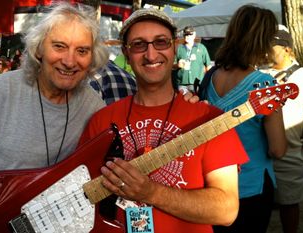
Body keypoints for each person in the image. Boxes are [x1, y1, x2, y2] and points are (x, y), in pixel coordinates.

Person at [78, 8, 249, 233]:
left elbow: (226, 211)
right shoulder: (101, 122)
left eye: (161, 42)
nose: (151, 54)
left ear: (175, 47)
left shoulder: (209, 119)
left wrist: (150, 192)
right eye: (139, 45)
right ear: (126, 54)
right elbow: (80, 198)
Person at [0, 2, 109, 232]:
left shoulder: (95, 109)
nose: (69, 61)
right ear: (39, 49)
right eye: (59, 46)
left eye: (82, 51)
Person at [198, 5, 287, 233]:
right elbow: (277, 149)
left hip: (212, 187)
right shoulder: (264, 85)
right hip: (251, 187)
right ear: (263, 40)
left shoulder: (210, 76)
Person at [267, 26, 303, 233]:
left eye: (271, 46)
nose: (266, 50)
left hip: (291, 153)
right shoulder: (259, 74)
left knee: (289, 204)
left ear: (288, 49)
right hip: (260, 154)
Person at [174, 25, 211, 94]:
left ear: (194, 35)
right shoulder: (179, 48)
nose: (188, 36)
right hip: (182, 84)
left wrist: (207, 83)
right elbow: (172, 66)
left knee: (196, 103)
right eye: (186, 34)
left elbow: (208, 66)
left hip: (197, 84)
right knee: (182, 103)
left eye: (190, 34)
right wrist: (177, 65)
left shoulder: (201, 48)